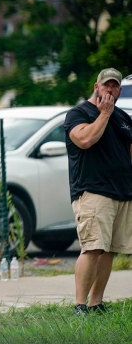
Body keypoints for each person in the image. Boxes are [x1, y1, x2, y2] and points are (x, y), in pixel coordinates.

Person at [63, 68, 132, 315]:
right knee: (92, 247)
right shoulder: (79, 113)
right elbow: (85, 140)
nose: (110, 90)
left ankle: (96, 303)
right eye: (106, 86)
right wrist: (104, 114)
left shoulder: (124, 118)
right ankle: (79, 306)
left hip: (121, 192)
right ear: (96, 87)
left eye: (115, 87)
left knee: (110, 249)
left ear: (120, 91)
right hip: (93, 191)